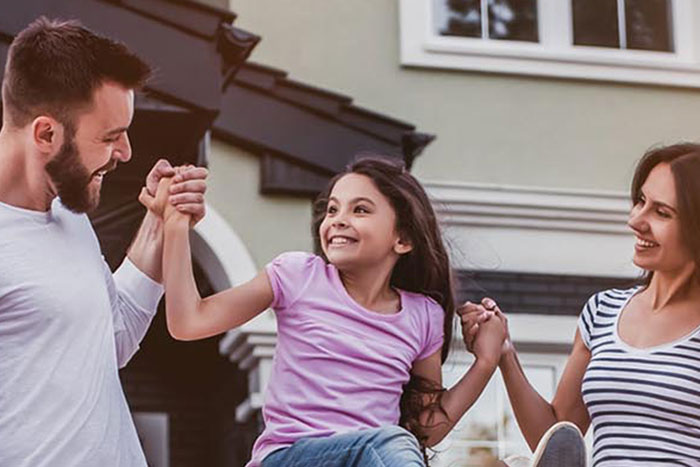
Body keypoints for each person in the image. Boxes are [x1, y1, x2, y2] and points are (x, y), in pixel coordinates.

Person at [141, 156, 507, 466]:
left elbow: (426, 428)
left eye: (360, 209)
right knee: (390, 445)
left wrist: (485, 363)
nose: (337, 219)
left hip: (372, 457)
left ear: (403, 239)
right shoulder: (298, 275)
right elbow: (189, 321)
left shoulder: (422, 316)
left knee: (394, 444)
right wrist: (175, 224)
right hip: (288, 457)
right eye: (332, 209)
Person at [0, 17, 208, 466]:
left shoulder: (66, 214)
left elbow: (109, 339)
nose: (127, 153)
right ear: (45, 134)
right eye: (111, 137)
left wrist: (159, 220)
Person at [462, 143, 700, 465]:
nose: (636, 221)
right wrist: (504, 351)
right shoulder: (603, 311)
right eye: (641, 201)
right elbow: (556, 435)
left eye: (661, 212)